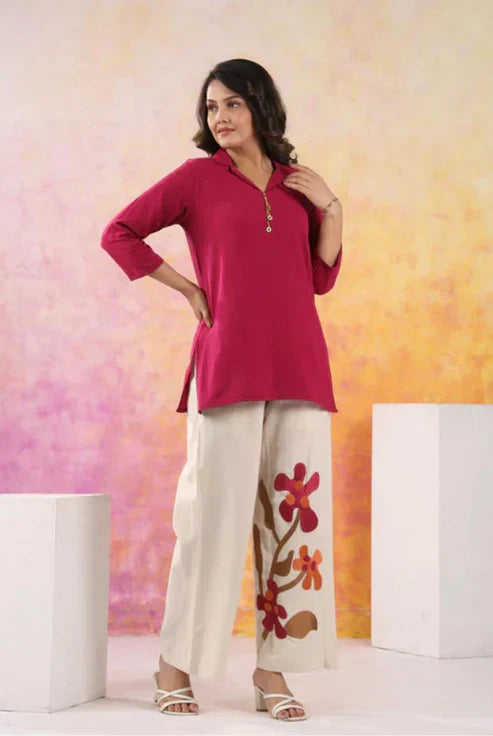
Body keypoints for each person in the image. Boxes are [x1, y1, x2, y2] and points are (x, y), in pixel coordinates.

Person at [101, 58, 343, 721]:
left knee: (294, 524)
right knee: (210, 521)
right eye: (211, 107)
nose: (221, 117)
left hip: (299, 368)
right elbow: (119, 232)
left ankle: (273, 672)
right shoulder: (196, 179)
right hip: (227, 367)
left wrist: (331, 207)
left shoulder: (296, 184)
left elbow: (319, 280)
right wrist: (186, 288)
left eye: (233, 103)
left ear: (261, 106)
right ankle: (173, 665)